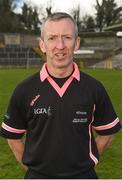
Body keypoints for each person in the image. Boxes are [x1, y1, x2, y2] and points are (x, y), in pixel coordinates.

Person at [0, 12, 121, 179]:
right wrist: (35, 171)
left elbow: (108, 131)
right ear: (42, 45)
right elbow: (13, 138)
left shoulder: (94, 88)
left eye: (67, 37)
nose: (60, 45)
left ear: (76, 43)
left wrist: (86, 163)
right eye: (52, 38)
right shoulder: (24, 90)